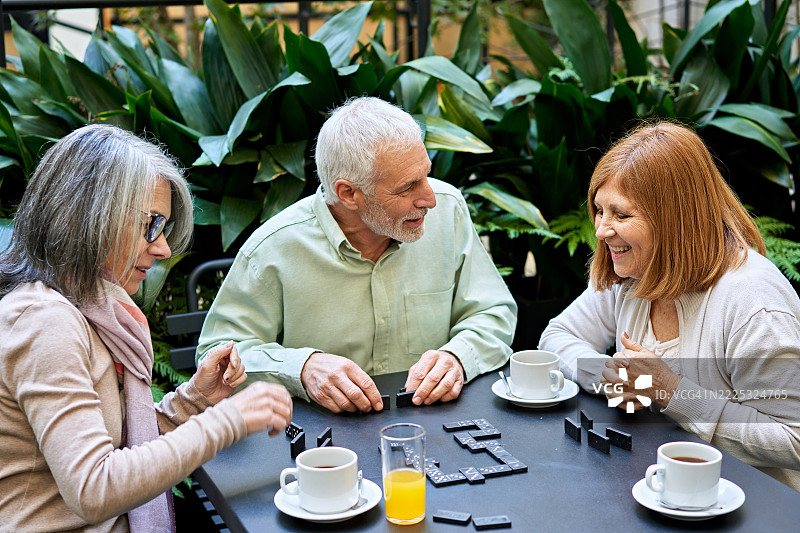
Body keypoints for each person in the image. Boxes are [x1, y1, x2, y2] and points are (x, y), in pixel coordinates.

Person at [0, 124, 294, 532]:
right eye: (150, 224)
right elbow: (94, 486)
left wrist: (194, 400)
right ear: (92, 217)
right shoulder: (44, 320)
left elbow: (120, 443)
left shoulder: (88, 306)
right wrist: (227, 420)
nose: (163, 248)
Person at [197, 97, 517, 413]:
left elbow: (493, 311)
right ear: (348, 193)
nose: (430, 199)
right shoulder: (274, 248)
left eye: (426, 175)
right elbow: (217, 356)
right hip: (319, 446)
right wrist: (302, 368)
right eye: (407, 187)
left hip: (436, 422)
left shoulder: (450, 211)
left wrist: (459, 356)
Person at [540, 121, 800, 491]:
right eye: (600, 210)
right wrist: (612, 376)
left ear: (674, 219)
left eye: (621, 214)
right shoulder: (633, 269)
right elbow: (558, 335)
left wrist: (673, 392)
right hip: (662, 489)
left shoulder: (753, 302)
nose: (601, 229)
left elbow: (794, 439)